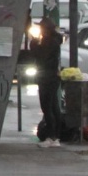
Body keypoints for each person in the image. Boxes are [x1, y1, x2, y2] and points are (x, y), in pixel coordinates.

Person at [32, 16, 65, 147]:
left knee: (47, 106)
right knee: (53, 106)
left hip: (47, 77)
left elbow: (41, 57)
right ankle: (56, 136)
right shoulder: (53, 41)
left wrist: (34, 44)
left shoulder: (49, 42)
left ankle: (52, 136)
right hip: (51, 77)